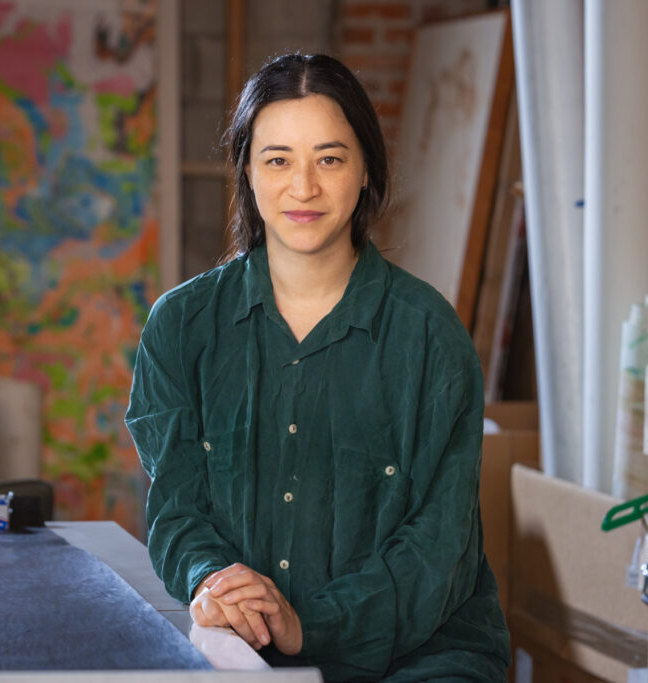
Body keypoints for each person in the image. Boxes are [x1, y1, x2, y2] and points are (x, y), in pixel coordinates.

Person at [125, 53, 511, 681]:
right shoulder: (182, 327)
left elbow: (439, 550)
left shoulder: (429, 335)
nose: (302, 187)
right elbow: (177, 511)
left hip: (421, 656)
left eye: (329, 159)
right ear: (247, 171)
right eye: (277, 159)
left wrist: (312, 626)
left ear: (365, 173)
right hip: (248, 653)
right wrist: (214, 579)